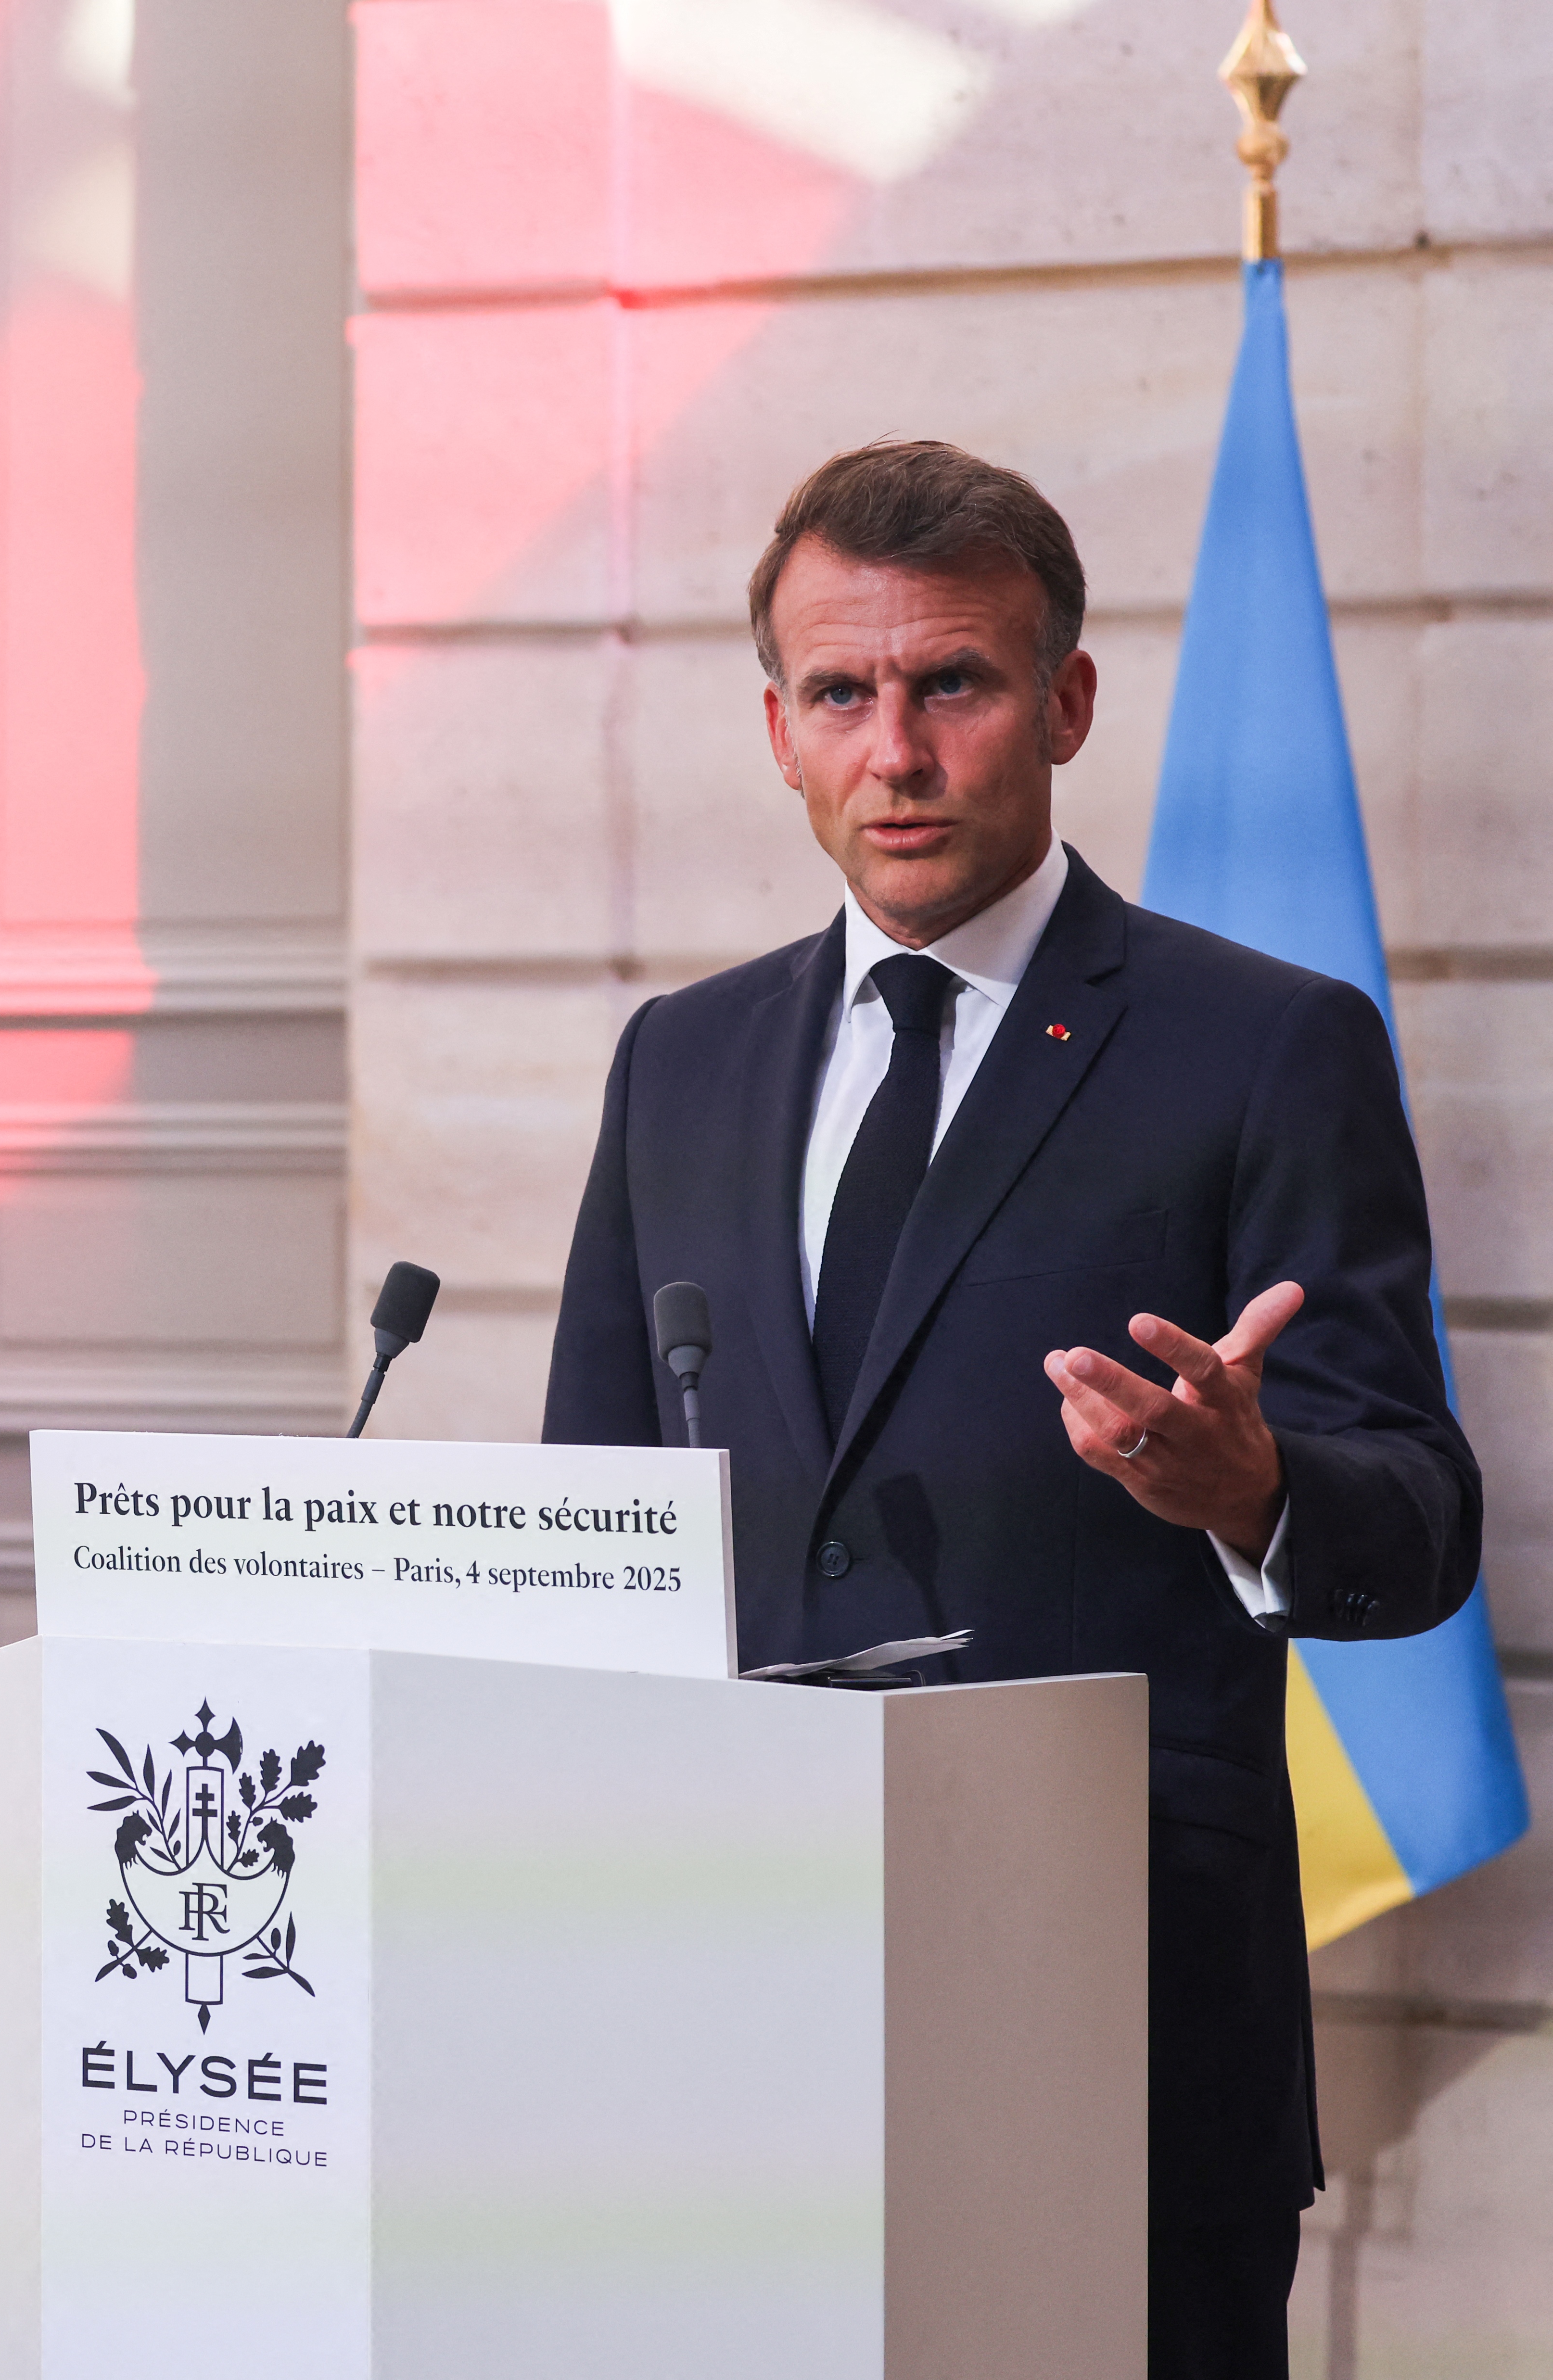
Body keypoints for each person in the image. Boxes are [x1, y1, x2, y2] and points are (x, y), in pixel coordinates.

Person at [543, 441, 1477, 2378]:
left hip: (1113, 2019)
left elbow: (1423, 1525)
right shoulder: (678, 1063)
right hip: (731, 2000)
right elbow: (594, 1523)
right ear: (780, 730)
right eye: (839, 693)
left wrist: (1253, 1486)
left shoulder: (1263, 1044)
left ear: (1060, 703)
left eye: (950, 683)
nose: (895, 748)